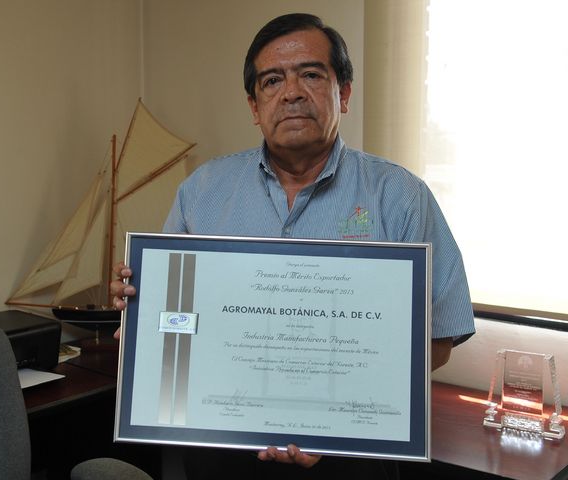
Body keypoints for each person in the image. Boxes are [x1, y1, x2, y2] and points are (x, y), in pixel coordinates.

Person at [111, 13, 475, 480]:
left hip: (351, 459)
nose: (292, 93)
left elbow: (439, 337)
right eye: (272, 81)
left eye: (311, 75)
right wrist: (141, 315)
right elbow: (176, 317)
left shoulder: (400, 196)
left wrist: (333, 419)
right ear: (254, 105)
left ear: (344, 93)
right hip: (222, 452)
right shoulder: (202, 192)